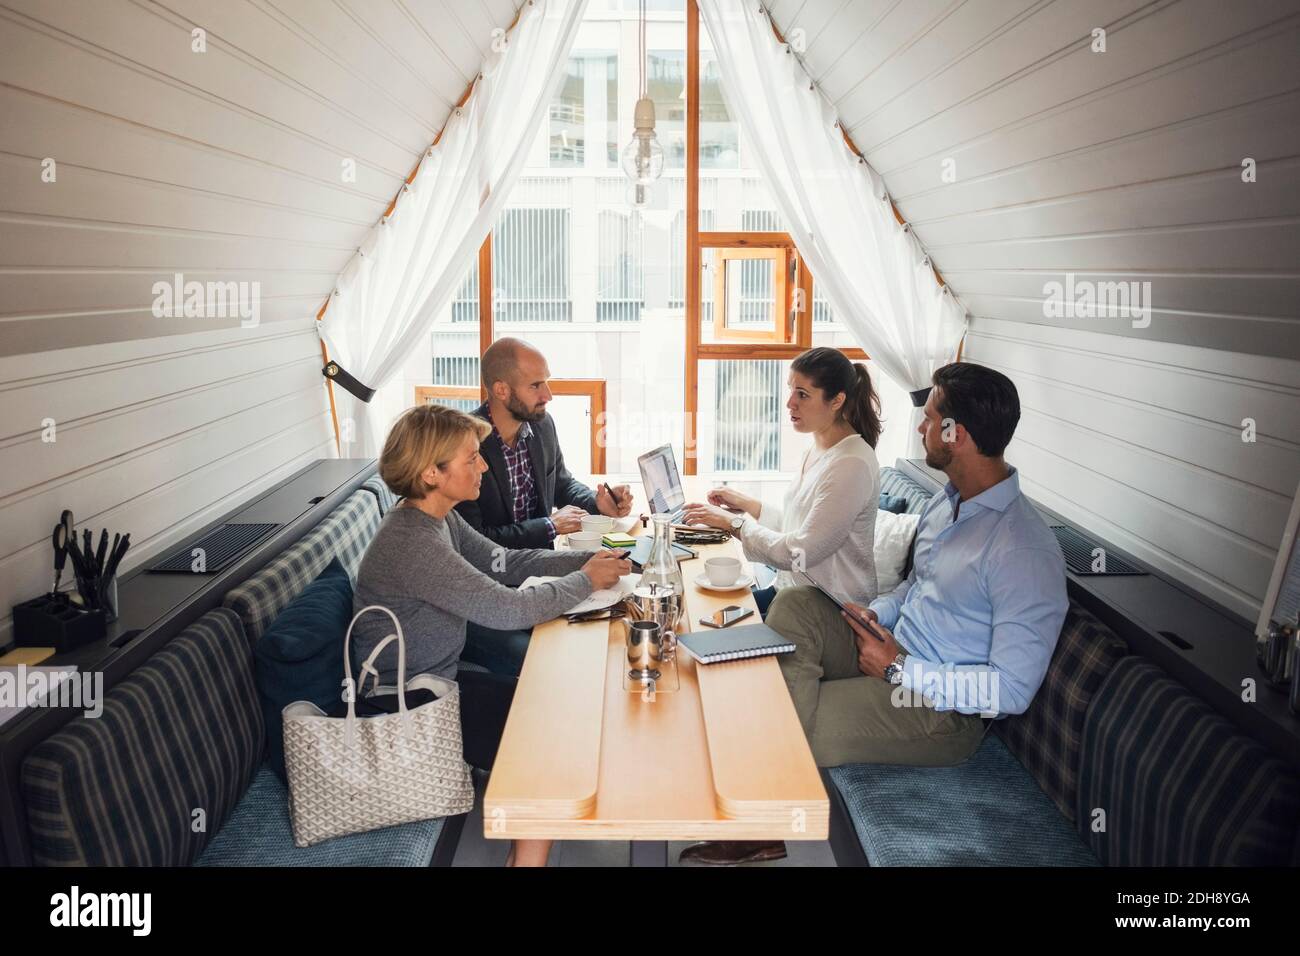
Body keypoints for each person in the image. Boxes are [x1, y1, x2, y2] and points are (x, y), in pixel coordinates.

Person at [681, 361, 1068, 866]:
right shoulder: (948, 504)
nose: (922, 428)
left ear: (958, 433)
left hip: (939, 711)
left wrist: (901, 669)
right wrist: (878, 612)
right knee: (797, 602)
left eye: (930, 419)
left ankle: (762, 819)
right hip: (891, 648)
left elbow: (1012, 691)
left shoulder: (1022, 549)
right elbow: (916, 584)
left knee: (798, 720)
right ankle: (765, 759)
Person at [353, 404, 632, 867]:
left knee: (550, 706)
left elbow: (506, 562)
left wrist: (596, 559)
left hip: (437, 680)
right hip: (404, 704)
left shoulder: (437, 517)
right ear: (431, 473)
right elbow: (508, 608)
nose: (483, 464)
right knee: (545, 733)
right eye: (470, 458)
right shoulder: (412, 542)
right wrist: (586, 580)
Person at [454, 337, 633, 675]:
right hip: (495, 586)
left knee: (614, 625)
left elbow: (561, 483)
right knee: (560, 659)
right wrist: (550, 526)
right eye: (536, 385)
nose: (548, 395)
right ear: (502, 390)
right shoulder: (465, 447)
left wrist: (597, 504)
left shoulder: (542, 425)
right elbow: (479, 543)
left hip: (539, 571)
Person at [681, 347, 882, 618]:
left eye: (803, 394)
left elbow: (799, 552)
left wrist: (733, 524)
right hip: (790, 594)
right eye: (790, 390)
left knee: (710, 622)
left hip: (829, 612)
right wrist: (749, 505)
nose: (790, 403)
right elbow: (796, 527)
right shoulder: (817, 450)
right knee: (699, 607)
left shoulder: (852, 464)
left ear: (836, 401)